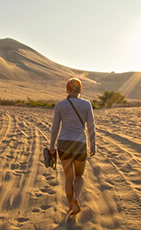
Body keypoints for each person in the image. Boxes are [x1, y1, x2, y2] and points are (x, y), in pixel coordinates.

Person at [49, 78, 97, 217]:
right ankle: (76, 197)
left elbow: (55, 127)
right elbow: (91, 127)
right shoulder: (86, 104)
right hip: (79, 144)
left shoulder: (60, 105)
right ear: (80, 90)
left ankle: (70, 206)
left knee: (68, 177)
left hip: (63, 143)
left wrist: (52, 146)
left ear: (67, 90)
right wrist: (93, 145)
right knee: (79, 175)